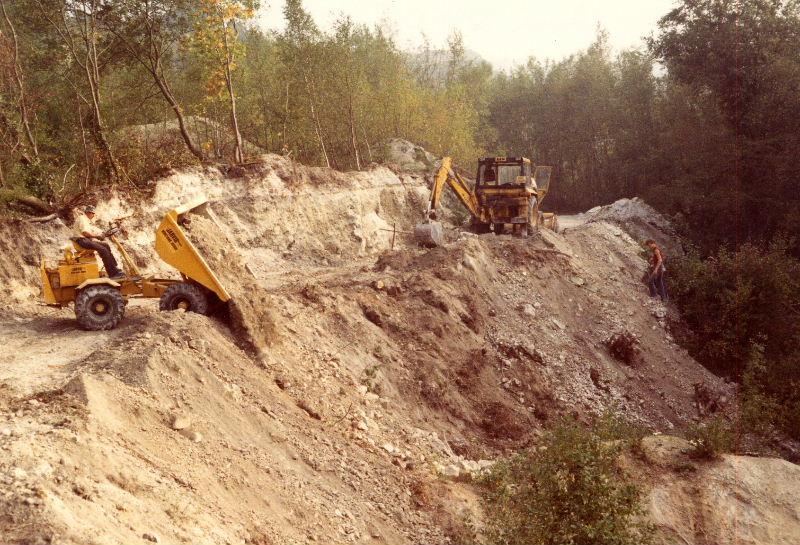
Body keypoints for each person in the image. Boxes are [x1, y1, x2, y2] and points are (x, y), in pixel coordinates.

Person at [73, 206, 124, 279]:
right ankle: (112, 273)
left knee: (105, 245)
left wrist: (102, 234)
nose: (93, 216)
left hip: (85, 240)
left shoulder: (86, 220)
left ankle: (114, 267)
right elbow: (85, 233)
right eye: (93, 214)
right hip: (81, 240)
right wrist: (96, 237)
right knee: (103, 250)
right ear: (89, 213)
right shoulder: (82, 219)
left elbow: (92, 230)